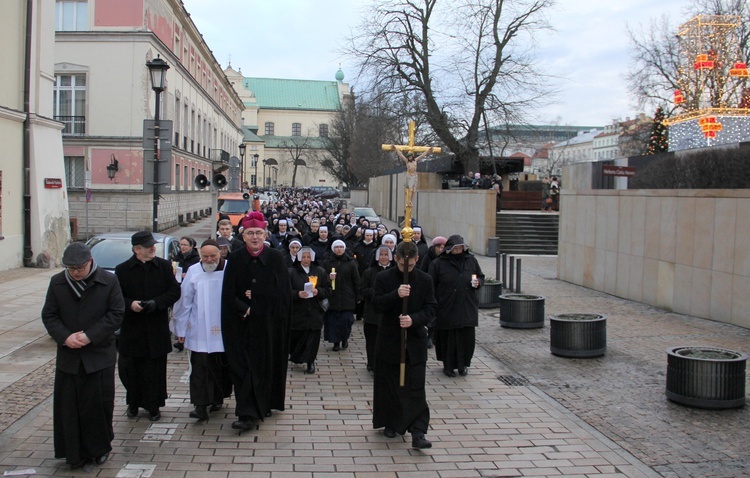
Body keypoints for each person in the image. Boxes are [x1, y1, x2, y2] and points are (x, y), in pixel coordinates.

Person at [41, 242, 124, 469]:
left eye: (79, 268)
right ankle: (72, 453)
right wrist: (65, 337)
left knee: (97, 404)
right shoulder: (58, 283)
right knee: (69, 406)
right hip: (69, 355)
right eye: (71, 269)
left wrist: (90, 336)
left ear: (89, 262)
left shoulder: (108, 281)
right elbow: (49, 315)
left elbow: (116, 314)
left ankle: (99, 449)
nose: (75, 273)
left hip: (98, 354)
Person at [221, 211, 292, 431]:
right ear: (243, 236)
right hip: (241, 325)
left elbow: (283, 294)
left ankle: (265, 404)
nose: (254, 237)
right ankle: (247, 412)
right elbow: (228, 293)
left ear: (265, 235)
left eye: (258, 233)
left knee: (264, 367)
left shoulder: (275, 258)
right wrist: (245, 307)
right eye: (250, 233)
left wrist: (258, 298)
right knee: (243, 368)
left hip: (268, 326)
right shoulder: (235, 258)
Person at [371, 241, 437, 449]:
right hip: (390, 341)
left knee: (416, 388)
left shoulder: (425, 280)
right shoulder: (383, 278)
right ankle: (391, 422)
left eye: (410, 266)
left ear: (417, 260)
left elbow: (431, 308)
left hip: (415, 342)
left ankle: (418, 431)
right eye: (401, 265)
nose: (406, 269)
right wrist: (395, 295)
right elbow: (376, 304)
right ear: (396, 260)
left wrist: (414, 320)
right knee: (390, 386)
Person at [115, 231, 181, 421]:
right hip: (132, 328)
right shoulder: (122, 269)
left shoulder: (163, 266)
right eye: (148, 246)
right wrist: (130, 304)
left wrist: (157, 303)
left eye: (153, 245)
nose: (153, 248)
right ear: (137, 249)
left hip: (155, 327)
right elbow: (116, 296)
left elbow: (174, 291)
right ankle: (133, 403)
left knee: (154, 371)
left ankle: (154, 406)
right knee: (130, 369)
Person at [171, 239, 232, 421]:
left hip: (223, 329)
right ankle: (200, 405)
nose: (209, 259)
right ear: (200, 255)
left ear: (220, 253)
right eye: (205, 256)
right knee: (199, 368)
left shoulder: (230, 269)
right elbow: (184, 302)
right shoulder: (194, 271)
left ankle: (217, 398)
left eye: (213, 255)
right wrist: (180, 330)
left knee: (219, 367)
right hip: (199, 329)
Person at [427, 234, 484, 377]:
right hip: (447, 306)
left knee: (467, 339)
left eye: (460, 248)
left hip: (467, 305)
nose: (458, 251)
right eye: (455, 248)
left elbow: (480, 276)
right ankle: (448, 366)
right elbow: (430, 285)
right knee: (448, 339)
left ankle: (463, 365)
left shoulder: (471, 260)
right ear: (449, 249)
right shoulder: (438, 263)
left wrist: (478, 283)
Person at [288, 246, 331, 374]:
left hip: (314, 310)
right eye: (303, 257)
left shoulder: (320, 271)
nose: (306, 260)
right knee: (297, 337)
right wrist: (297, 294)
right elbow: (285, 292)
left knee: (313, 337)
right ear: (299, 258)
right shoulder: (291, 272)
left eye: (308, 257)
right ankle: (297, 356)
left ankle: (310, 361)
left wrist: (318, 291)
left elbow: (328, 290)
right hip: (298, 311)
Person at [359, 245, 394, 372]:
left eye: (386, 255)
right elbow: (362, 290)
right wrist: (377, 292)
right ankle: (372, 363)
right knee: (372, 341)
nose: (383, 257)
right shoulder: (369, 272)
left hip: (390, 313)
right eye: (381, 255)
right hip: (372, 313)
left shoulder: (395, 272)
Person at [322, 239, 360, 351]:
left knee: (347, 320)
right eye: (337, 247)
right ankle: (336, 342)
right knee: (333, 321)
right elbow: (321, 278)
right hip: (332, 296)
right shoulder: (327, 262)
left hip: (347, 296)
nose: (339, 249)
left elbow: (356, 280)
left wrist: (358, 295)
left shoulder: (351, 262)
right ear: (333, 249)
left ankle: (345, 338)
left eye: (341, 247)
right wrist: (329, 277)